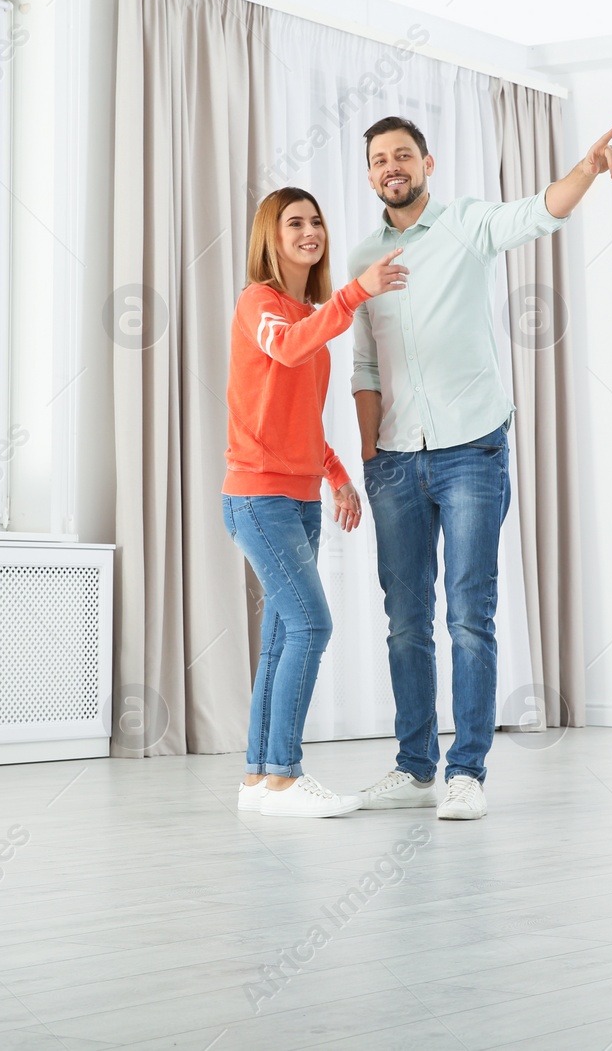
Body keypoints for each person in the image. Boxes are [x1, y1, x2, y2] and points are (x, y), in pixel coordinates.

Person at [351, 115, 612, 820]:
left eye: (403, 155)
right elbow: (363, 364)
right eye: (380, 159)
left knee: (470, 613)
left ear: (427, 162)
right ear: (371, 171)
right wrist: (369, 451)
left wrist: (587, 172)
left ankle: (465, 771)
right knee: (405, 620)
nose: (392, 167)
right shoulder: (362, 257)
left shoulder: (465, 224)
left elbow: (539, 213)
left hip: (472, 450)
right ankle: (416, 768)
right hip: (395, 458)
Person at [222, 186, 408, 818]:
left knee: (281, 636)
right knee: (311, 624)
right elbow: (286, 346)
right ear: (270, 238)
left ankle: (258, 779)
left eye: (316, 221)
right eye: (294, 223)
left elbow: (298, 420)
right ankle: (284, 777)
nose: (310, 231)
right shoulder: (260, 304)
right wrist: (355, 292)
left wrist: (336, 476)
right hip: (258, 499)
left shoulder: (306, 315)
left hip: (297, 500)